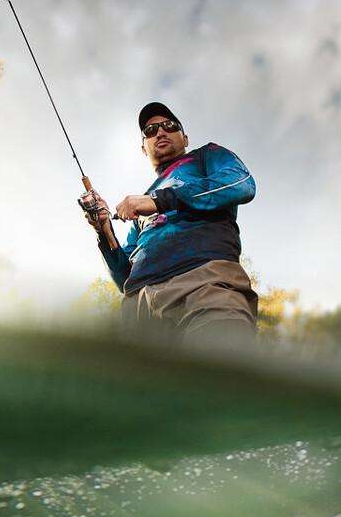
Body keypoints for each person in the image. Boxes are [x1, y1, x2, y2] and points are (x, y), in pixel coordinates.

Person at [79, 102, 258, 342]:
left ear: (185, 138)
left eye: (169, 126)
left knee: (221, 366)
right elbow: (124, 278)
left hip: (204, 283)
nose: (160, 132)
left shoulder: (206, 155)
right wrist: (105, 231)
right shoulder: (141, 209)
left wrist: (160, 199)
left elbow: (241, 183)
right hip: (138, 309)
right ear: (144, 148)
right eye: (150, 131)